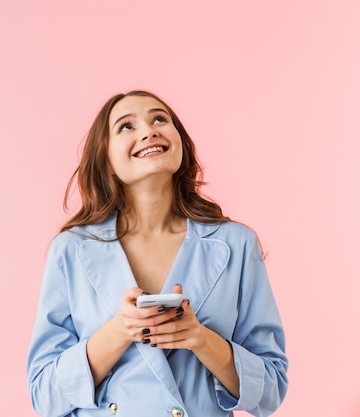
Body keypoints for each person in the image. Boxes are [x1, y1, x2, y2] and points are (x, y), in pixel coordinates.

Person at [26, 90, 288, 417]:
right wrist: (120, 329)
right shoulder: (70, 250)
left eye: (159, 119)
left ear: (180, 141)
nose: (149, 131)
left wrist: (199, 338)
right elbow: (44, 395)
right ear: (105, 156)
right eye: (126, 127)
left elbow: (271, 388)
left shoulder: (237, 245)